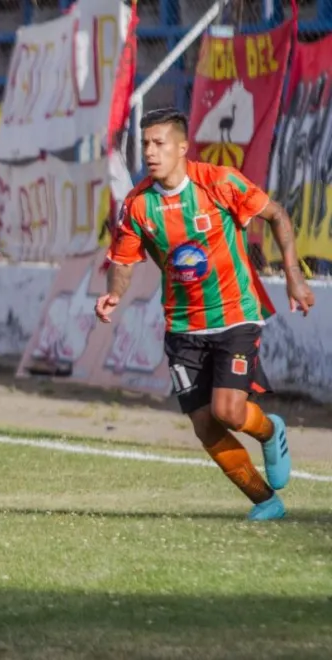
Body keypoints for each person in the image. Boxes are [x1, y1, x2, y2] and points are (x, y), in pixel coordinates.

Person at [96, 108, 315, 521]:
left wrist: (294, 279)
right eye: (145, 144)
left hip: (235, 316)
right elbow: (125, 259)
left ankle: (269, 430)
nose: (150, 152)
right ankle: (265, 501)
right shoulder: (138, 204)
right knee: (204, 424)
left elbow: (277, 215)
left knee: (228, 411)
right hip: (183, 326)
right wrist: (113, 295)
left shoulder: (218, 183)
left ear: (182, 147)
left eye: (159, 143)